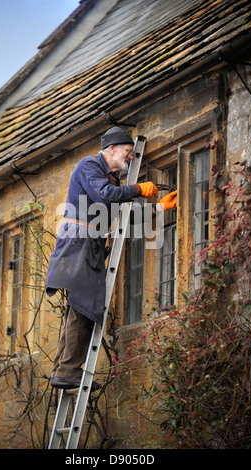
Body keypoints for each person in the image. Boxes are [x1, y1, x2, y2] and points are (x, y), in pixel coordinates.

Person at [46, 127, 177, 389]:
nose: (130, 157)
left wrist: (160, 208)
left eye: (131, 152)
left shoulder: (111, 181)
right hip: (78, 243)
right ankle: (68, 371)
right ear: (112, 149)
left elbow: (121, 219)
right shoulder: (90, 166)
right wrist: (139, 188)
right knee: (84, 307)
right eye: (128, 152)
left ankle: (64, 370)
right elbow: (105, 194)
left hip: (87, 244)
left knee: (79, 309)